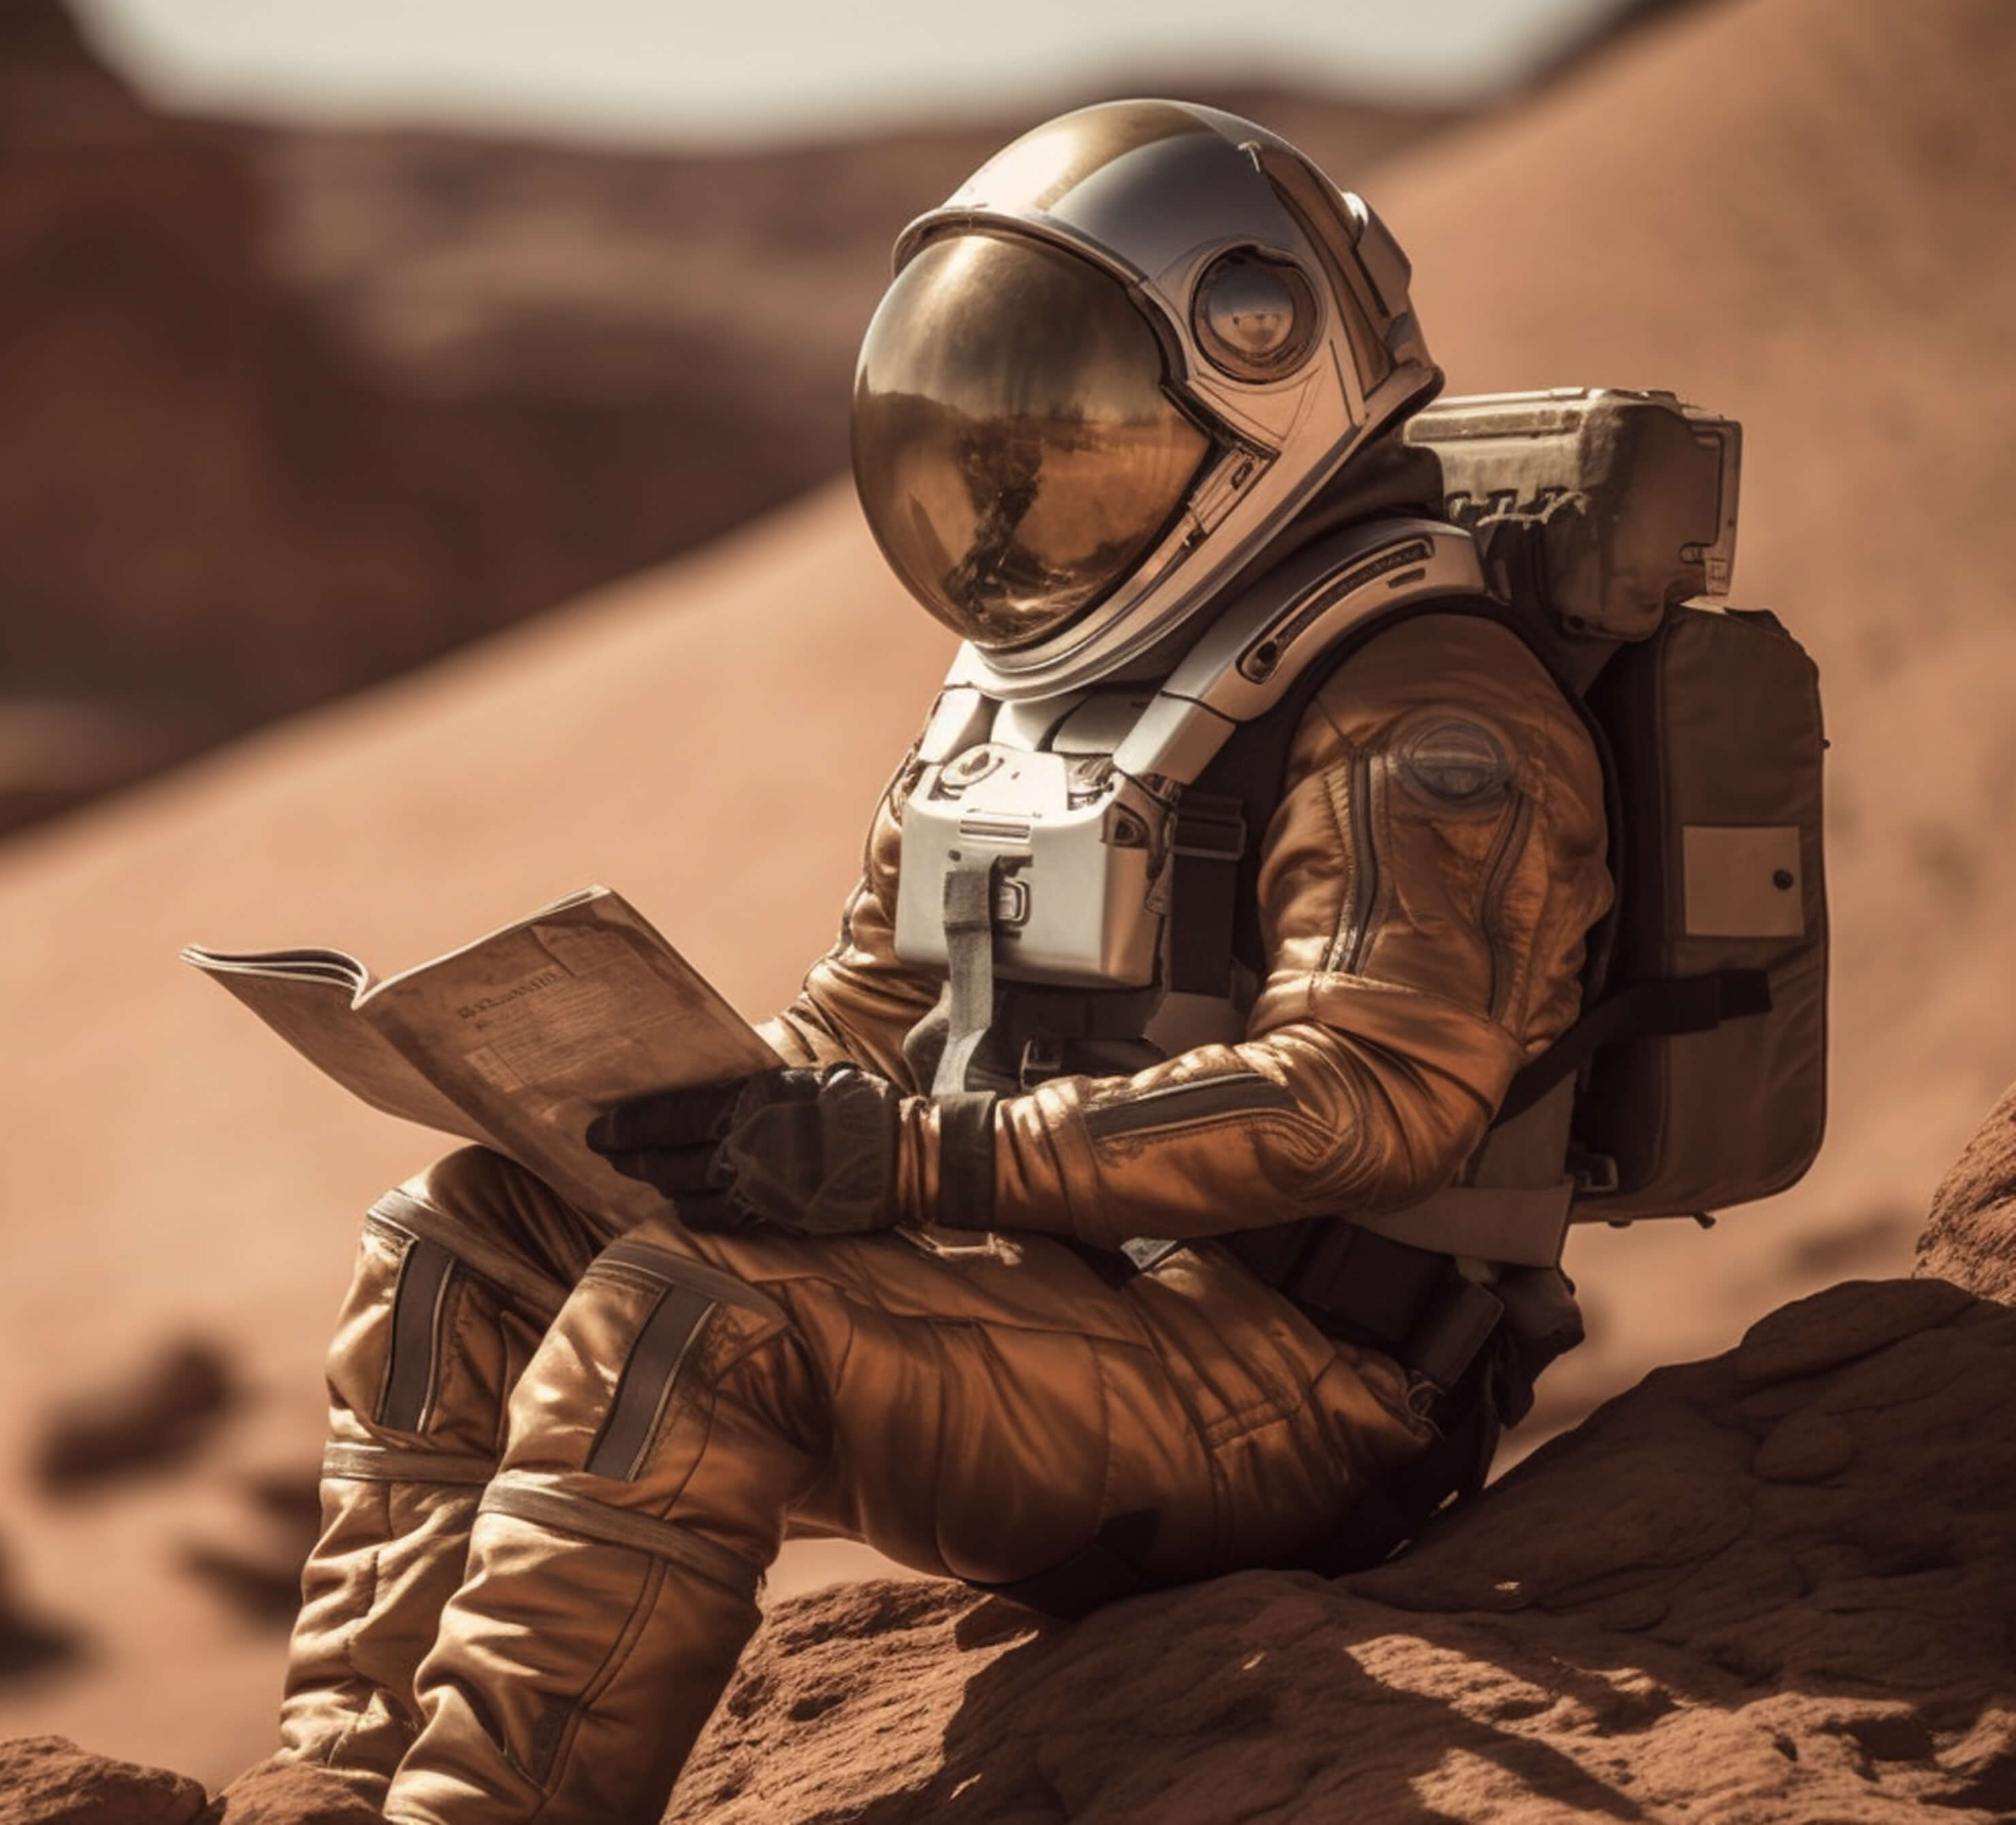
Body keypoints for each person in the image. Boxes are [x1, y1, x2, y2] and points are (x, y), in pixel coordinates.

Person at [272, 99, 1614, 1824]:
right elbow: (874, 1014)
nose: (1016, 493)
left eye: (1074, 431)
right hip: (1042, 1300)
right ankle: (334, 1783)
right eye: (994, 439)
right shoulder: (1043, 687)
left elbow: (1375, 1101)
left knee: (695, 1322)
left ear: (1249, 376)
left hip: (1291, 1385)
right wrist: (640, 1113)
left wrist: (905, 1155)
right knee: (458, 1236)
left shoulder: (1426, 707)